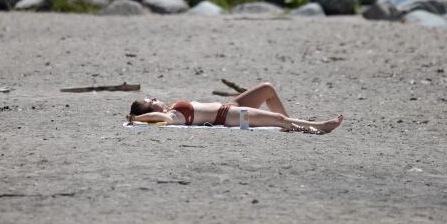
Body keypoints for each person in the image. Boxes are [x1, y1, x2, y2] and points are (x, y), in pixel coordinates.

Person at [126, 82, 343, 134]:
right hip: (228, 116)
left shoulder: (171, 111)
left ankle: (289, 124)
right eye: (151, 100)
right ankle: (320, 126)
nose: (155, 98)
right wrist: (136, 120)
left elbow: (153, 114)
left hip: (232, 107)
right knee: (276, 117)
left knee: (267, 88)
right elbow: (154, 117)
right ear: (150, 111)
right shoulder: (171, 116)